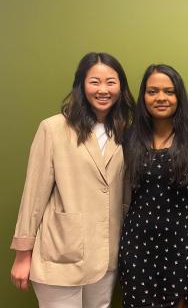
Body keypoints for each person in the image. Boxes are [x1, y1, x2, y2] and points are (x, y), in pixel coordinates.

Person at [10, 52, 135, 307]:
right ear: (81, 85)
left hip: (106, 253)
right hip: (60, 252)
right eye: (94, 82)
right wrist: (23, 255)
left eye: (111, 82)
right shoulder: (53, 128)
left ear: (121, 87)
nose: (103, 89)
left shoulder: (127, 133)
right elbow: (33, 195)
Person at [118, 64, 188, 308]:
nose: (161, 98)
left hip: (181, 236)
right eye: (153, 91)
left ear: (179, 97)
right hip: (137, 237)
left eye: (169, 91)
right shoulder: (128, 137)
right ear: (143, 96)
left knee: (178, 302)